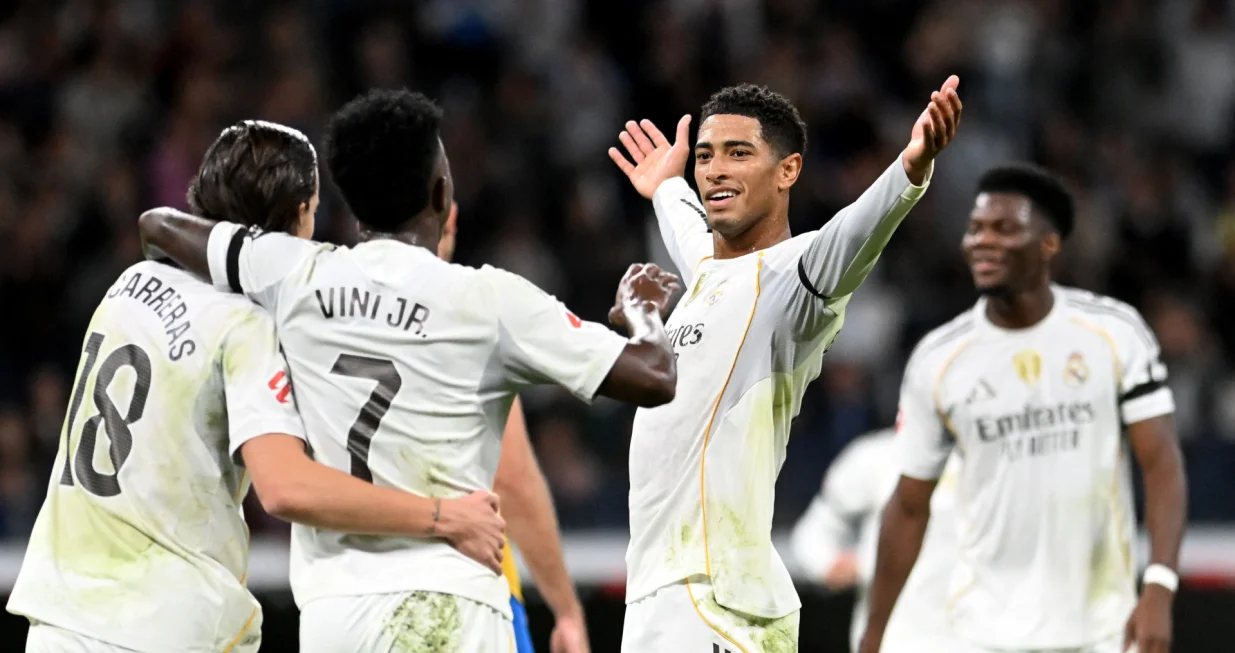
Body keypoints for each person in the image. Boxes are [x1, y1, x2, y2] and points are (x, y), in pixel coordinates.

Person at [138, 88, 680, 652]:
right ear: (441, 192)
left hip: (333, 617)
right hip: (451, 606)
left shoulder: (292, 272)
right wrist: (640, 310)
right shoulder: (489, 301)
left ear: (349, 202)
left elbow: (159, 225)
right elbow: (653, 376)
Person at [7, 120, 506, 653]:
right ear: (299, 214)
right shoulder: (247, 327)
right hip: (157, 622)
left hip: (61, 616)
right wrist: (443, 517)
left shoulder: (130, 283)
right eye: (313, 211)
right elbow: (285, 487)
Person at [608, 76, 963, 651]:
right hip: (668, 591)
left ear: (788, 170)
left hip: (716, 598)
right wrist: (666, 187)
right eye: (705, 156)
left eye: (738, 153)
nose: (714, 170)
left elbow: (859, 230)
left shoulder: (795, 277)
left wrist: (910, 168)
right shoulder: (708, 278)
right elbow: (690, 235)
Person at [860, 164, 1187, 653]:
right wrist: (873, 634)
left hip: (1102, 630)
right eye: (975, 229)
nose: (982, 241)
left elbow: (1160, 462)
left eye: (1004, 228)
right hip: (980, 633)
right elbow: (908, 505)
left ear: (1048, 244)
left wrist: (1159, 583)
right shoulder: (938, 359)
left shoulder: (1115, 333)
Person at [437, 206, 591, 653]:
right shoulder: (467, 314)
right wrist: (566, 610)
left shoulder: (324, 312)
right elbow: (512, 480)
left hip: (350, 597)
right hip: (469, 598)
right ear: (448, 213)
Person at [789, 427, 959, 652]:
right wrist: (831, 563)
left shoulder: (992, 462)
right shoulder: (874, 456)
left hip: (974, 636)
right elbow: (811, 535)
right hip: (894, 639)